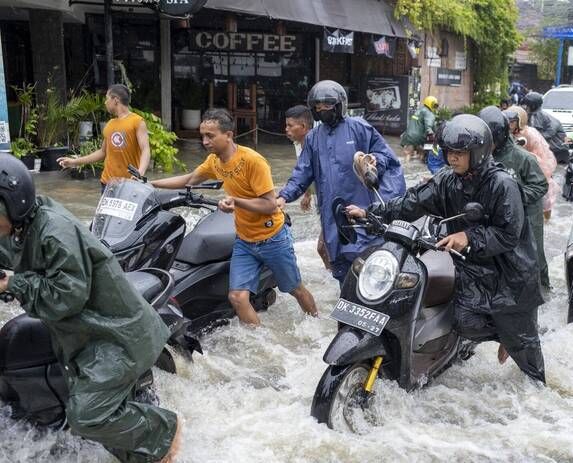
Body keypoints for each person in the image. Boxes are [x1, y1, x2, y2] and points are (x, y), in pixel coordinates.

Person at [0, 153, 180, 463]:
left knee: (87, 417)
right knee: (126, 451)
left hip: (115, 336)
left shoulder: (55, 233)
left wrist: (13, 284)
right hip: (84, 337)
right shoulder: (18, 227)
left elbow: (66, 297)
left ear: (12, 204)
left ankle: (164, 427)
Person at [344, 115, 546, 384]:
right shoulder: (447, 180)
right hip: (472, 268)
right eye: (449, 151)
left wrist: (468, 236)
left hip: (510, 275)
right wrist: (371, 212)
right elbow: (412, 202)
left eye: (460, 153)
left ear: (478, 153)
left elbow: (509, 234)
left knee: (527, 357)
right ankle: (502, 337)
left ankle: (526, 363)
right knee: (462, 322)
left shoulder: (502, 184)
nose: (452, 158)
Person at [153, 109, 317, 324]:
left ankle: (316, 322)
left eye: (210, 136)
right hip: (245, 240)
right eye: (203, 136)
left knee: (295, 289)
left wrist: (237, 201)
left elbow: (270, 205)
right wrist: (150, 184)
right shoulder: (214, 161)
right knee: (237, 297)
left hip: (273, 238)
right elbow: (189, 180)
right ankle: (259, 341)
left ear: (228, 135)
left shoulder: (252, 161)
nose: (205, 142)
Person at [277, 80, 406, 285]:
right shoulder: (313, 138)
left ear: (339, 105)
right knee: (342, 270)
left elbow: (387, 159)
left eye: (327, 105)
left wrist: (374, 162)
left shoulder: (359, 127)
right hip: (331, 215)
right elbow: (302, 172)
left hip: (362, 210)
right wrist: (284, 196)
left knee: (370, 269)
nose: (322, 110)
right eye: (318, 107)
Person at [479, 106, 550, 291]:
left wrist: (514, 197)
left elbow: (540, 185)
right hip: (499, 217)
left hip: (528, 215)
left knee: (534, 255)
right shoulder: (482, 157)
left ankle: (543, 289)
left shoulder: (523, 158)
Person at [58, 84, 150, 191]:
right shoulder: (110, 124)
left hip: (130, 184)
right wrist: (74, 162)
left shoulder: (137, 121)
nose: (105, 102)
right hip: (107, 183)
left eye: (107, 98)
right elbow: (102, 152)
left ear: (115, 100)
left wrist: (140, 171)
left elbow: (145, 149)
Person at [285, 105, 332, 272]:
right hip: (321, 199)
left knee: (323, 247)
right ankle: (334, 275)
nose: (286, 129)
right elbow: (304, 171)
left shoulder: (321, 145)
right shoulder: (298, 144)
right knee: (326, 248)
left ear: (304, 127)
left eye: (290, 126)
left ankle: (336, 278)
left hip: (332, 201)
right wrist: (307, 195)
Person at [504, 105, 559, 220]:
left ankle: (547, 221)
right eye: (507, 121)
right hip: (518, 171)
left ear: (520, 122)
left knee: (544, 204)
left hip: (537, 169)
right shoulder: (507, 134)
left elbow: (542, 158)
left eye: (512, 122)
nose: (509, 124)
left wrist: (524, 156)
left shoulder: (529, 134)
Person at [522, 91, 569, 163]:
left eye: (527, 105)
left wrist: (534, 138)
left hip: (557, 150)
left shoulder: (545, 117)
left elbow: (551, 132)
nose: (525, 107)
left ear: (533, 106)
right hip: (545, 150)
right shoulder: (530, 116)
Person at [400, 96, 438, 163]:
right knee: (421, 153)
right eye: (434, 105)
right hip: (420, 138)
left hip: (408, 136)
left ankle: (405, 167)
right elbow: (429, 126)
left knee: (408, 154)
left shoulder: (418, 111)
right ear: (431, 104)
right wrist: (432, 135)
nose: (435, 107)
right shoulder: (429, 113)